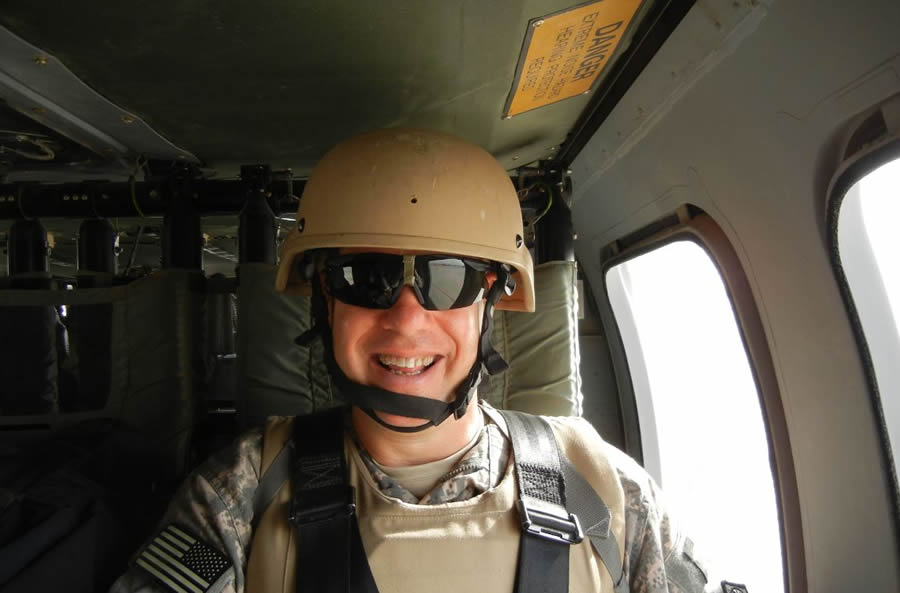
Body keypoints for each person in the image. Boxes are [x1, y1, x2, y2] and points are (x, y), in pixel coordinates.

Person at [110, 128, 717, 593]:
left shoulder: (607, 490)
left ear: (491, 301)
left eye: (447, 280)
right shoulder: (240, 494)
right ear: (323, 298)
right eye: (364, 278)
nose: (405, 320)